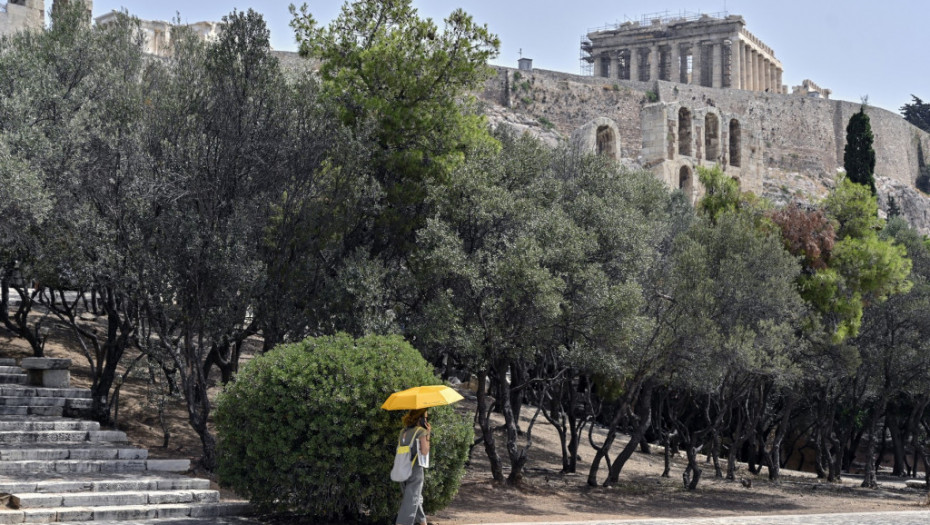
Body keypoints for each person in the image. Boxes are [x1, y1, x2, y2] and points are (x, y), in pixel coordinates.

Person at [396, 408, 431, 525]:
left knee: (415, 499)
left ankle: (423, 523)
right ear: (420, 419)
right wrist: (428, 434)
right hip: (415, 471)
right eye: (425, 418)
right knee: (411, 502)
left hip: (401, 470)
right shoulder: (421, 431)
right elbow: (425, 451)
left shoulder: (403, 432)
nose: (426, 420)